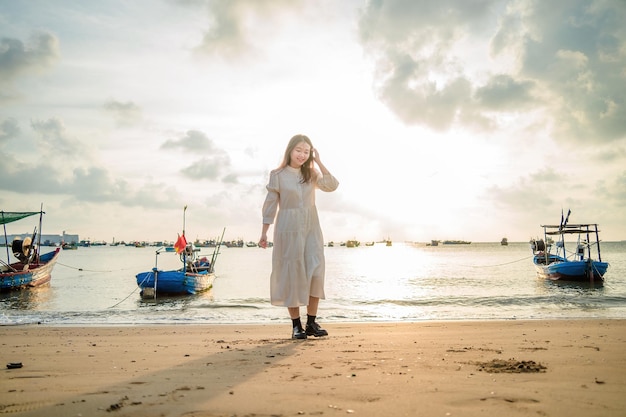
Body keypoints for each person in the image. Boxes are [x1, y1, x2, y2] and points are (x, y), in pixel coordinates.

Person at [259, 134, 339, 339]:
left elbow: (332, 185)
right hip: (287, 228)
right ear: (290, 150)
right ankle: (296, 326)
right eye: (299, 150)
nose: (302, 155)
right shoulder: (277, 174)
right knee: (291, 274)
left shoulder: (311, 174)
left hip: (311, 227)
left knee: (316, 271)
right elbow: (270, 204)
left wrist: (318, 161)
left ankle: (312, 322)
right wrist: (264, 232)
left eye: (306, 151)